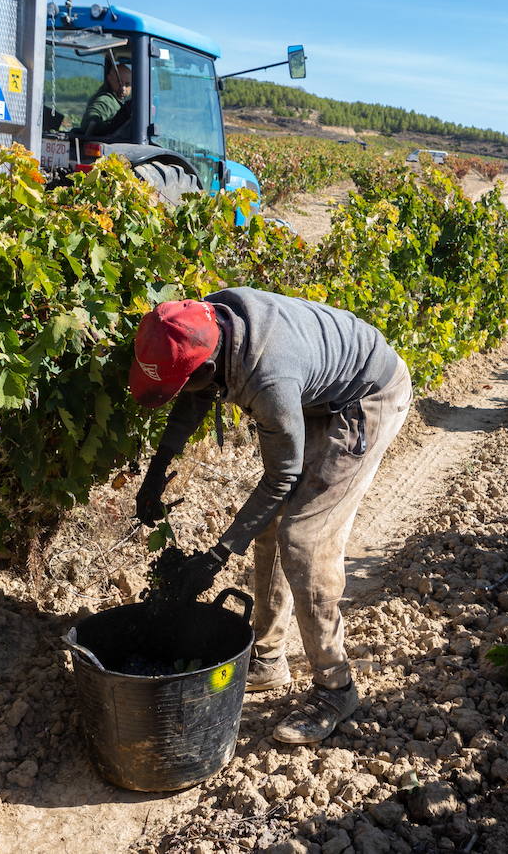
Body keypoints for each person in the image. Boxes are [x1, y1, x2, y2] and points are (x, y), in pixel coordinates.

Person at [130, 289, 413, 745]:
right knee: (269, 527)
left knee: (304, 539)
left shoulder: (268, 377)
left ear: (209, 369)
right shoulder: (199, 323)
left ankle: (335, 687)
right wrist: (156, 472)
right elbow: (192, 397)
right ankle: (267, 658)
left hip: (367, 398)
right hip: (316, 391)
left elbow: (280, 479)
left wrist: (218, 555)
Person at [79, 54, 132, 138]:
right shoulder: (106, 101)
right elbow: (88, 124)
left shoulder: (119, 102)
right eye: (119, 82)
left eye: (127, 84)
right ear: (109, 79)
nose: (123, 89)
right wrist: (113, 127)